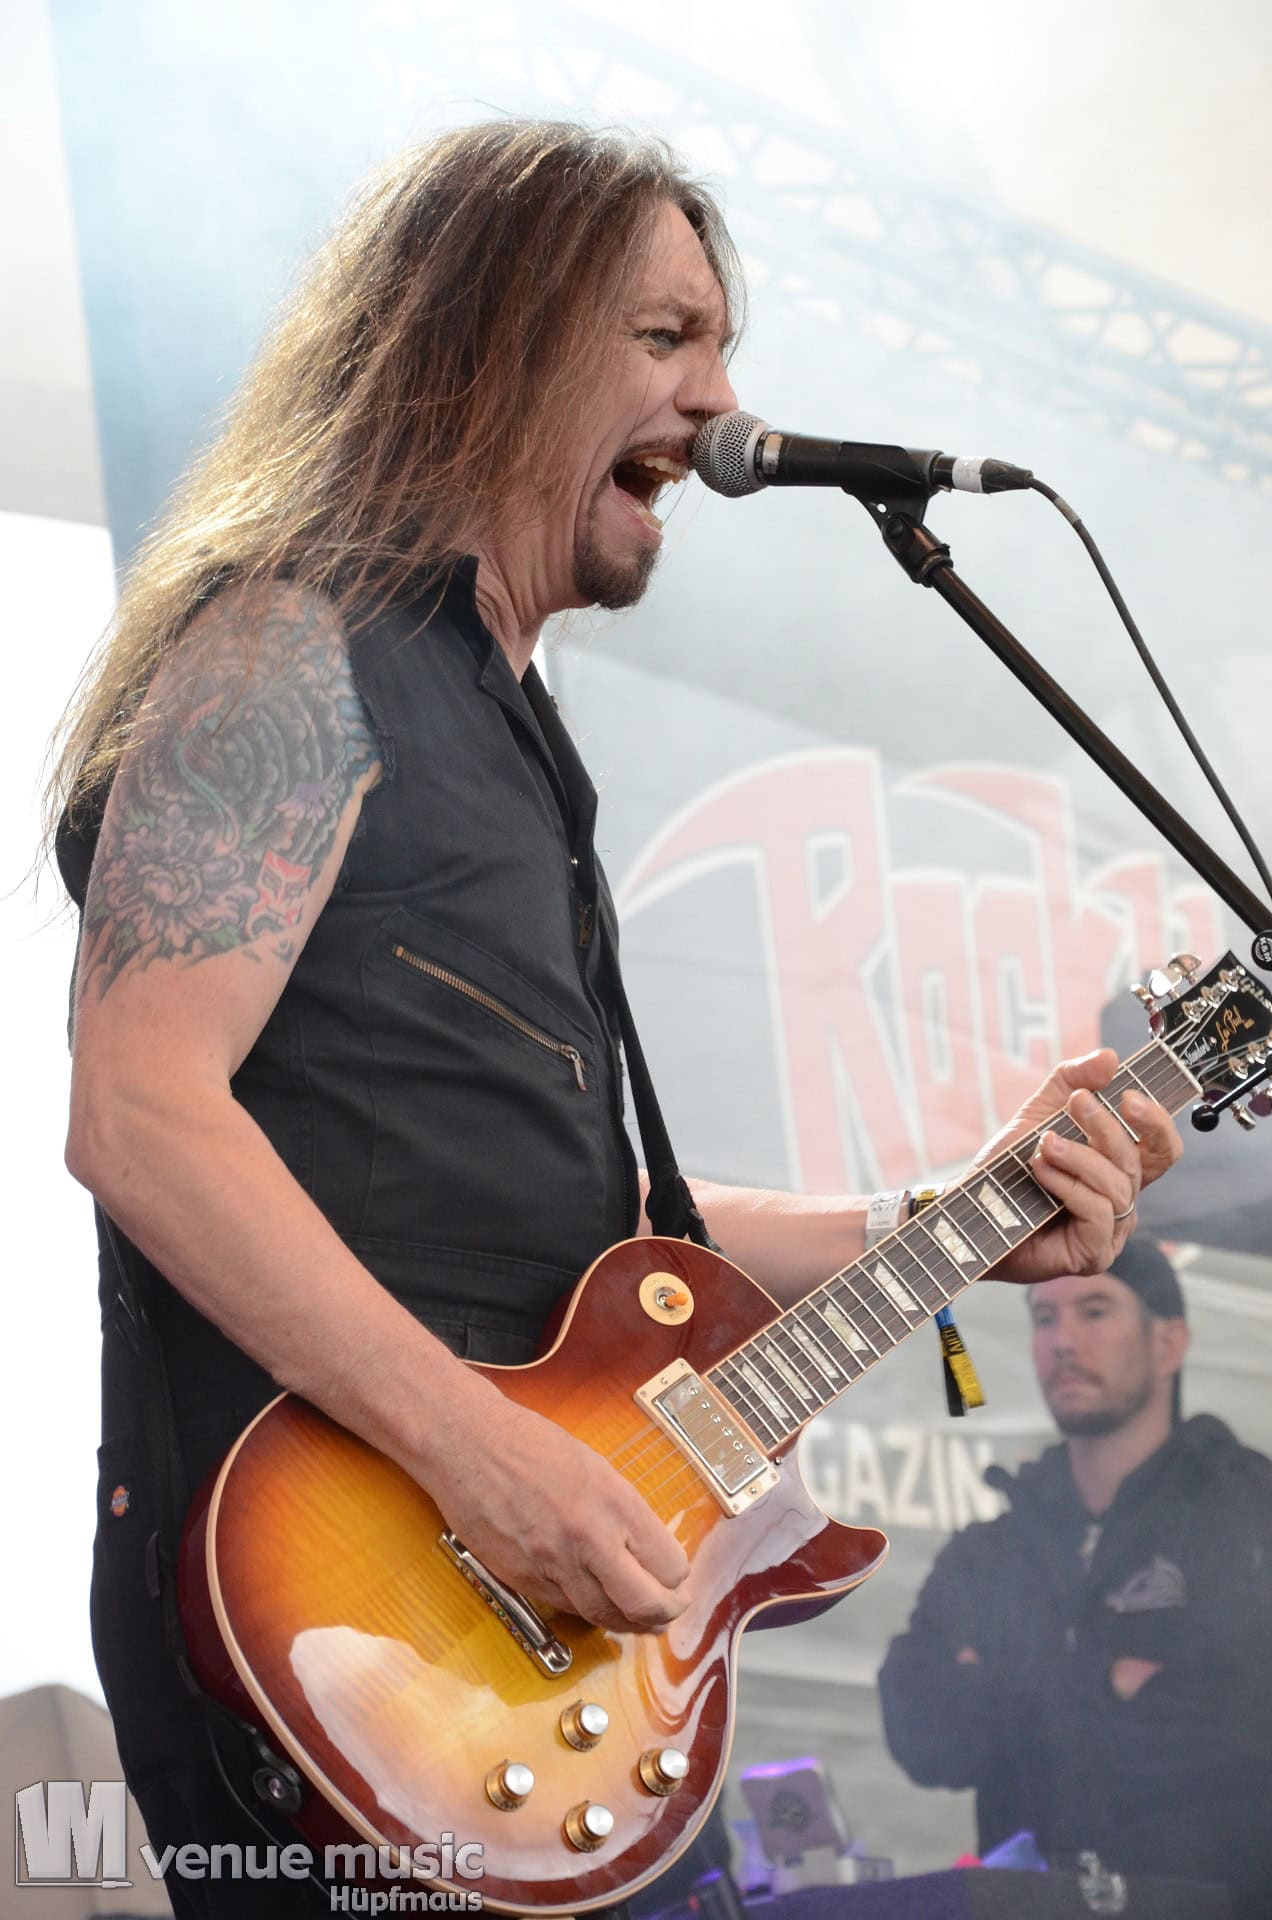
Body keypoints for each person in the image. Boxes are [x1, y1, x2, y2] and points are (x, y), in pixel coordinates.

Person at [48, 121, 1179, 1919]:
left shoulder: (520, 743)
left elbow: (599, 1221)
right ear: (488, 339)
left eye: (721, 346)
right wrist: (485, 1457)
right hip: (356, 1625)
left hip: (557, 1660)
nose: (720, 401)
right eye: (665, 338)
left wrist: (962, 1217)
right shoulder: (288, 646)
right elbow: (141, 1111)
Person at [878, 1237, 1272, 1916]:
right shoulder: (992, 1548)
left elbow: (1241, 1725)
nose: (1063, 1341)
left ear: (1168, 1343)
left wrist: (1007, 1686)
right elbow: (923, 1732)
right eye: (1044, 1318)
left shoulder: (1246, 1516)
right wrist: (1114, 1683)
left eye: (1095, 1311)